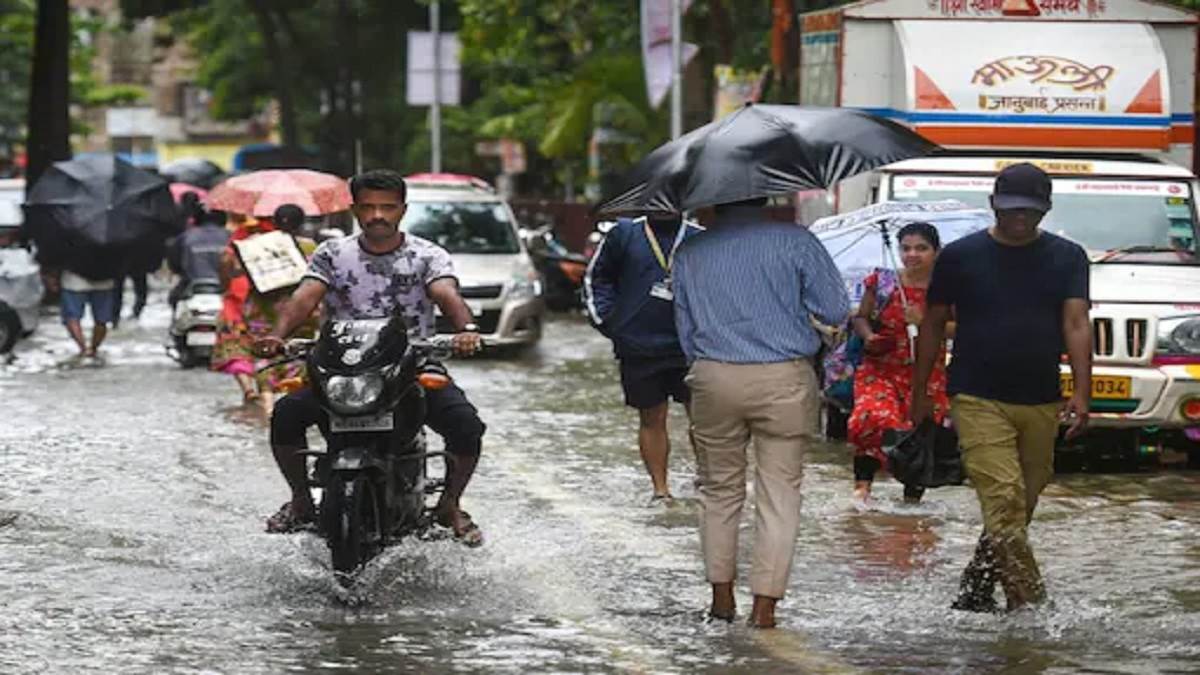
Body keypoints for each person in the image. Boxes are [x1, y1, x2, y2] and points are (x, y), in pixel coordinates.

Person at [253, 169, 486, 545]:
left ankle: (450, 505)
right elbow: (305, 297)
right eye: (369, 207)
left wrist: (466, 330)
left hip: (411, 363)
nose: (378, 215)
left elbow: (445, 293)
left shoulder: (427, 255)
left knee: (466, 426)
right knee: (286, 415)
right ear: (355, 209)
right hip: (340, 367)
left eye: (387, 207)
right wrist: (276, 337)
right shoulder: (332, 254)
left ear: (402, 211)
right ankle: (300, 500)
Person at [911, 162, 1091, 613]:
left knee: (1017, 508)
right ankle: (1030, 609)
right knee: (1005, 500)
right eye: (1011, 209)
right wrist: (920, 391)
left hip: (1041, 398)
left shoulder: (1068, 257)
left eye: (1030, 211)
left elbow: (1075, 322)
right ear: (993, 204)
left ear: (1046, 209)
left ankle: (975, 585)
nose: (1020, 218)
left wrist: (1083, 393)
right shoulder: (960, 256)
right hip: (976, 395)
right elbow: (933, 323)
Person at [673, 197, 850, 629]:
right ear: (767, 195)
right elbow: (835, 310)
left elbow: (684, 330)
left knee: (717, 490)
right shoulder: (796, 241)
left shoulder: (690, 251)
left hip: (714, 376)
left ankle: (720, 601)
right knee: (780, 493)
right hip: (784, 378)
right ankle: (764, 609)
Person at [583, 213, 703, 503]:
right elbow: (597, 279)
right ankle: (661, 491)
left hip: (692, 346)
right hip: (639, 347)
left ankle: (708, 480)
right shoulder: (622, 234)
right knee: (651, 418)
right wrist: (611, 323)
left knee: (703, 420)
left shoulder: (699, 237)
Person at [847, 222, 950, 504]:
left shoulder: (948, 289)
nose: (912, 254)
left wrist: (925, 322)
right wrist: (869, 337)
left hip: (927, 372)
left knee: (920, 432)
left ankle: (911, 503)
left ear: (936, 252)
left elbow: (964, 328)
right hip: (880, 367)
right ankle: (862, 490)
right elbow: (860, 317)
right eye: (906, 248)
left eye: (921, 248)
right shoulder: (882, 282)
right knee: (871, 417)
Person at [211, 207, 320, 411]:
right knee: (297, 356)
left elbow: (233, 274)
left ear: (275, 221)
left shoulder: (255, 246)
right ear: (301, 223)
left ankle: (268, 408)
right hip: (302, 311)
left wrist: (225, 265)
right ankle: (296, 405)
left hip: (262, 312)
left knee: (266, 355)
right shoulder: (310, 246)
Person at [167, 207, 230, 309]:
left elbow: (174, 264)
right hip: (226, 287)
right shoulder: (232, 237)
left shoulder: (184, 237)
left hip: (192, 285)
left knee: (174, 300)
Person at [58, 268, 116, 358]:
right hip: (104, 279)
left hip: (73, 280)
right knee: (101, 320)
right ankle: (93, 349)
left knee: (72, 318)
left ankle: (83, 348)